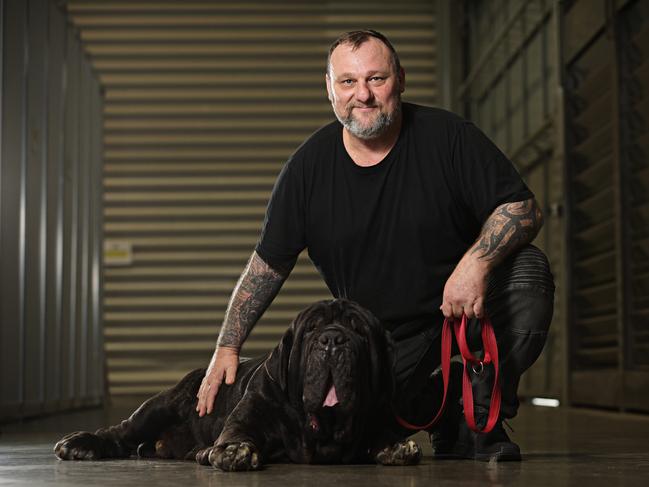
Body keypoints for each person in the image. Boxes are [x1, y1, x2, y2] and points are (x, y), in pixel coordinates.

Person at [195, 30, 554, 462]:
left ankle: (483, 413)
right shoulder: (307, 170)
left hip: (460, 310)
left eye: (376, 79)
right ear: (329, 90)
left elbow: (524, 208)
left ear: (400, 80)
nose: (362, 95)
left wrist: (475, 264)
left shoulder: (449, 137)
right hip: (381, 339)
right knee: (363, 421)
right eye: (348, 82)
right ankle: (444, 409)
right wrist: (227, 346)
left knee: (528, 270)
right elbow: (266, 268)